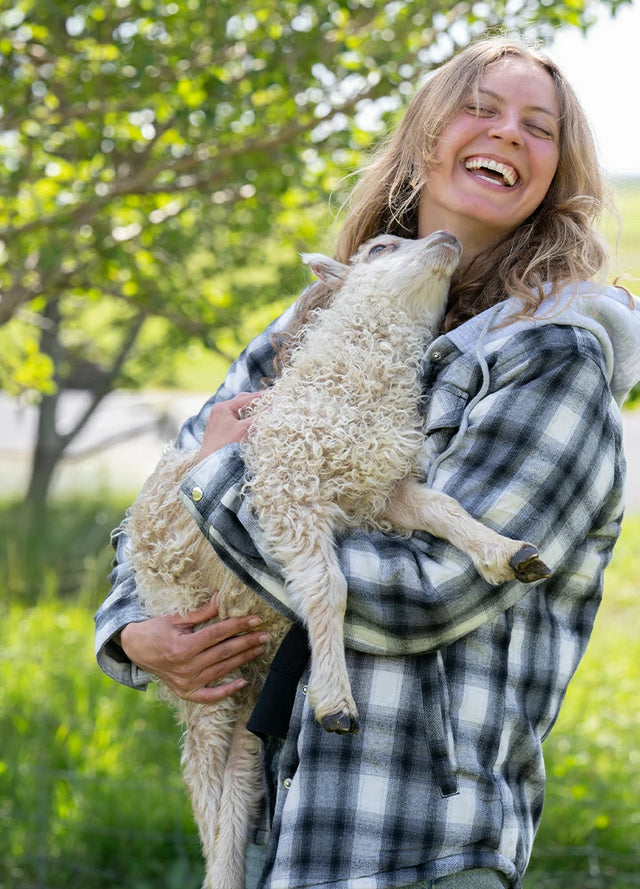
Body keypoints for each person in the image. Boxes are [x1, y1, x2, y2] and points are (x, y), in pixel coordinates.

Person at [95, 36, 640, 889]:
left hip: (423, 841)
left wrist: (227, 482)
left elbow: (429, 591)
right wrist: (137, 631)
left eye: (539, 127)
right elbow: (166, 503)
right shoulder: (310, 323)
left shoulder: (554, 355)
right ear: (426, 134)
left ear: (557, 173)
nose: (507, 134)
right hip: (287, 827)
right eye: (481, 108)